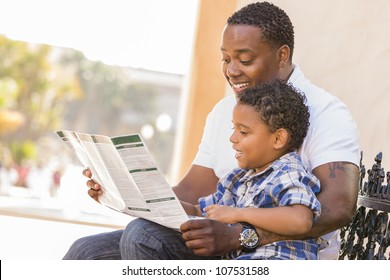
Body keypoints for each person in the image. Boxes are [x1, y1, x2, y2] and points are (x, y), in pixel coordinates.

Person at [63, 1, 360, 260]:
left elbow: (336, 209)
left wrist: (239, 235)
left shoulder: (327, 113)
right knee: (86, 253)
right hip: (222, 244)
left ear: (282, 56)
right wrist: (123, 190)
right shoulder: (224, 112)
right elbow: (191, 194)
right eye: (226, 59)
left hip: (281, 255)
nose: (231, 71)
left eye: (245, 60)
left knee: (143, 237)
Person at [182, 80, 324, 259]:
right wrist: (153, 204)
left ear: (278, 139)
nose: (232, 138)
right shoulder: (237, 179)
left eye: (243, 132)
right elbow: (201, 211)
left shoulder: (288, 172)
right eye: (234, 128)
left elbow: (301, 220)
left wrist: (238, 213)